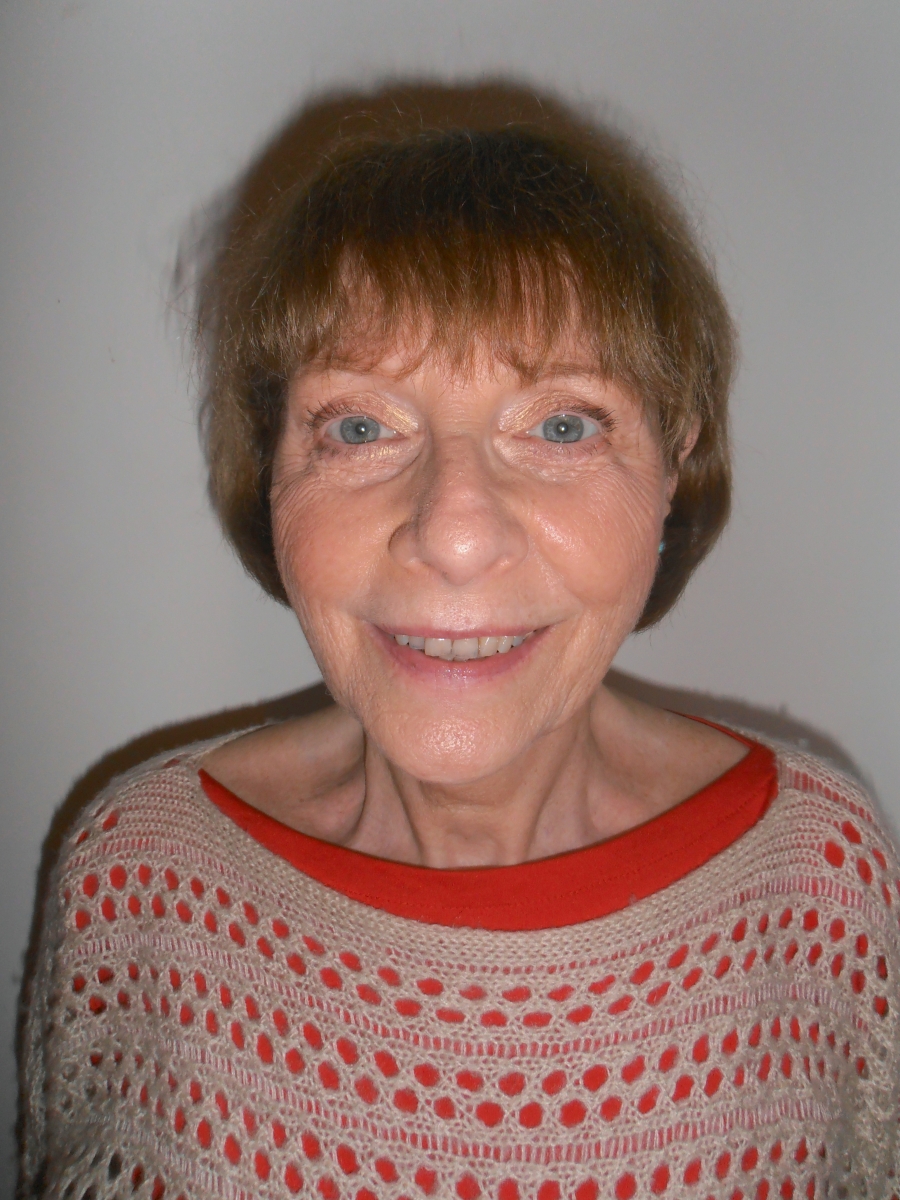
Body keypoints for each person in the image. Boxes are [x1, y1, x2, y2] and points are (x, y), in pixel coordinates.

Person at [19, 85, 900, 1200]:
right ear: (273, 470)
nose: (455, 532)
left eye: (562, 424)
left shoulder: (816, 881)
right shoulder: (135, 879)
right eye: (359, 426)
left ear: (674, 462)